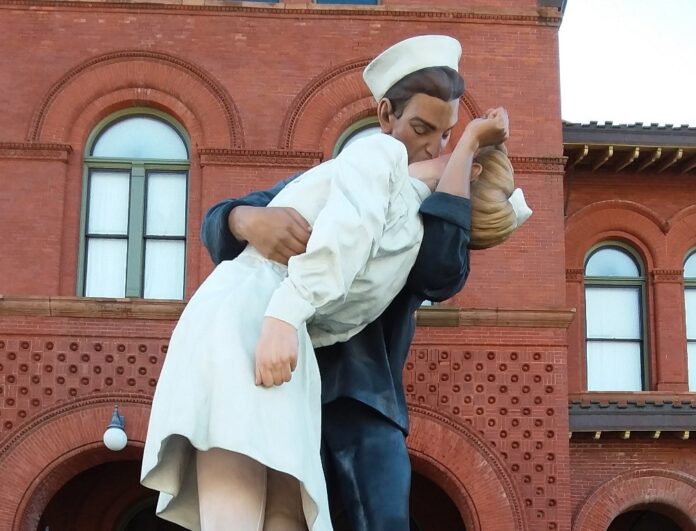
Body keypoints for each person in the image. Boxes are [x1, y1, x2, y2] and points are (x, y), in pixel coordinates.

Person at [142, 35, 527, 531]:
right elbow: (227, 222)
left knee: (346, 513)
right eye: (421, 128)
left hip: (356, 389)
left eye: (446, 135)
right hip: (272, 351)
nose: (434, 145)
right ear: (386, 115)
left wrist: (459, 164)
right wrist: (244, 219)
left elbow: (441, 270)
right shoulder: (358, 166)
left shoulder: (429, 212)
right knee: (258, 504)